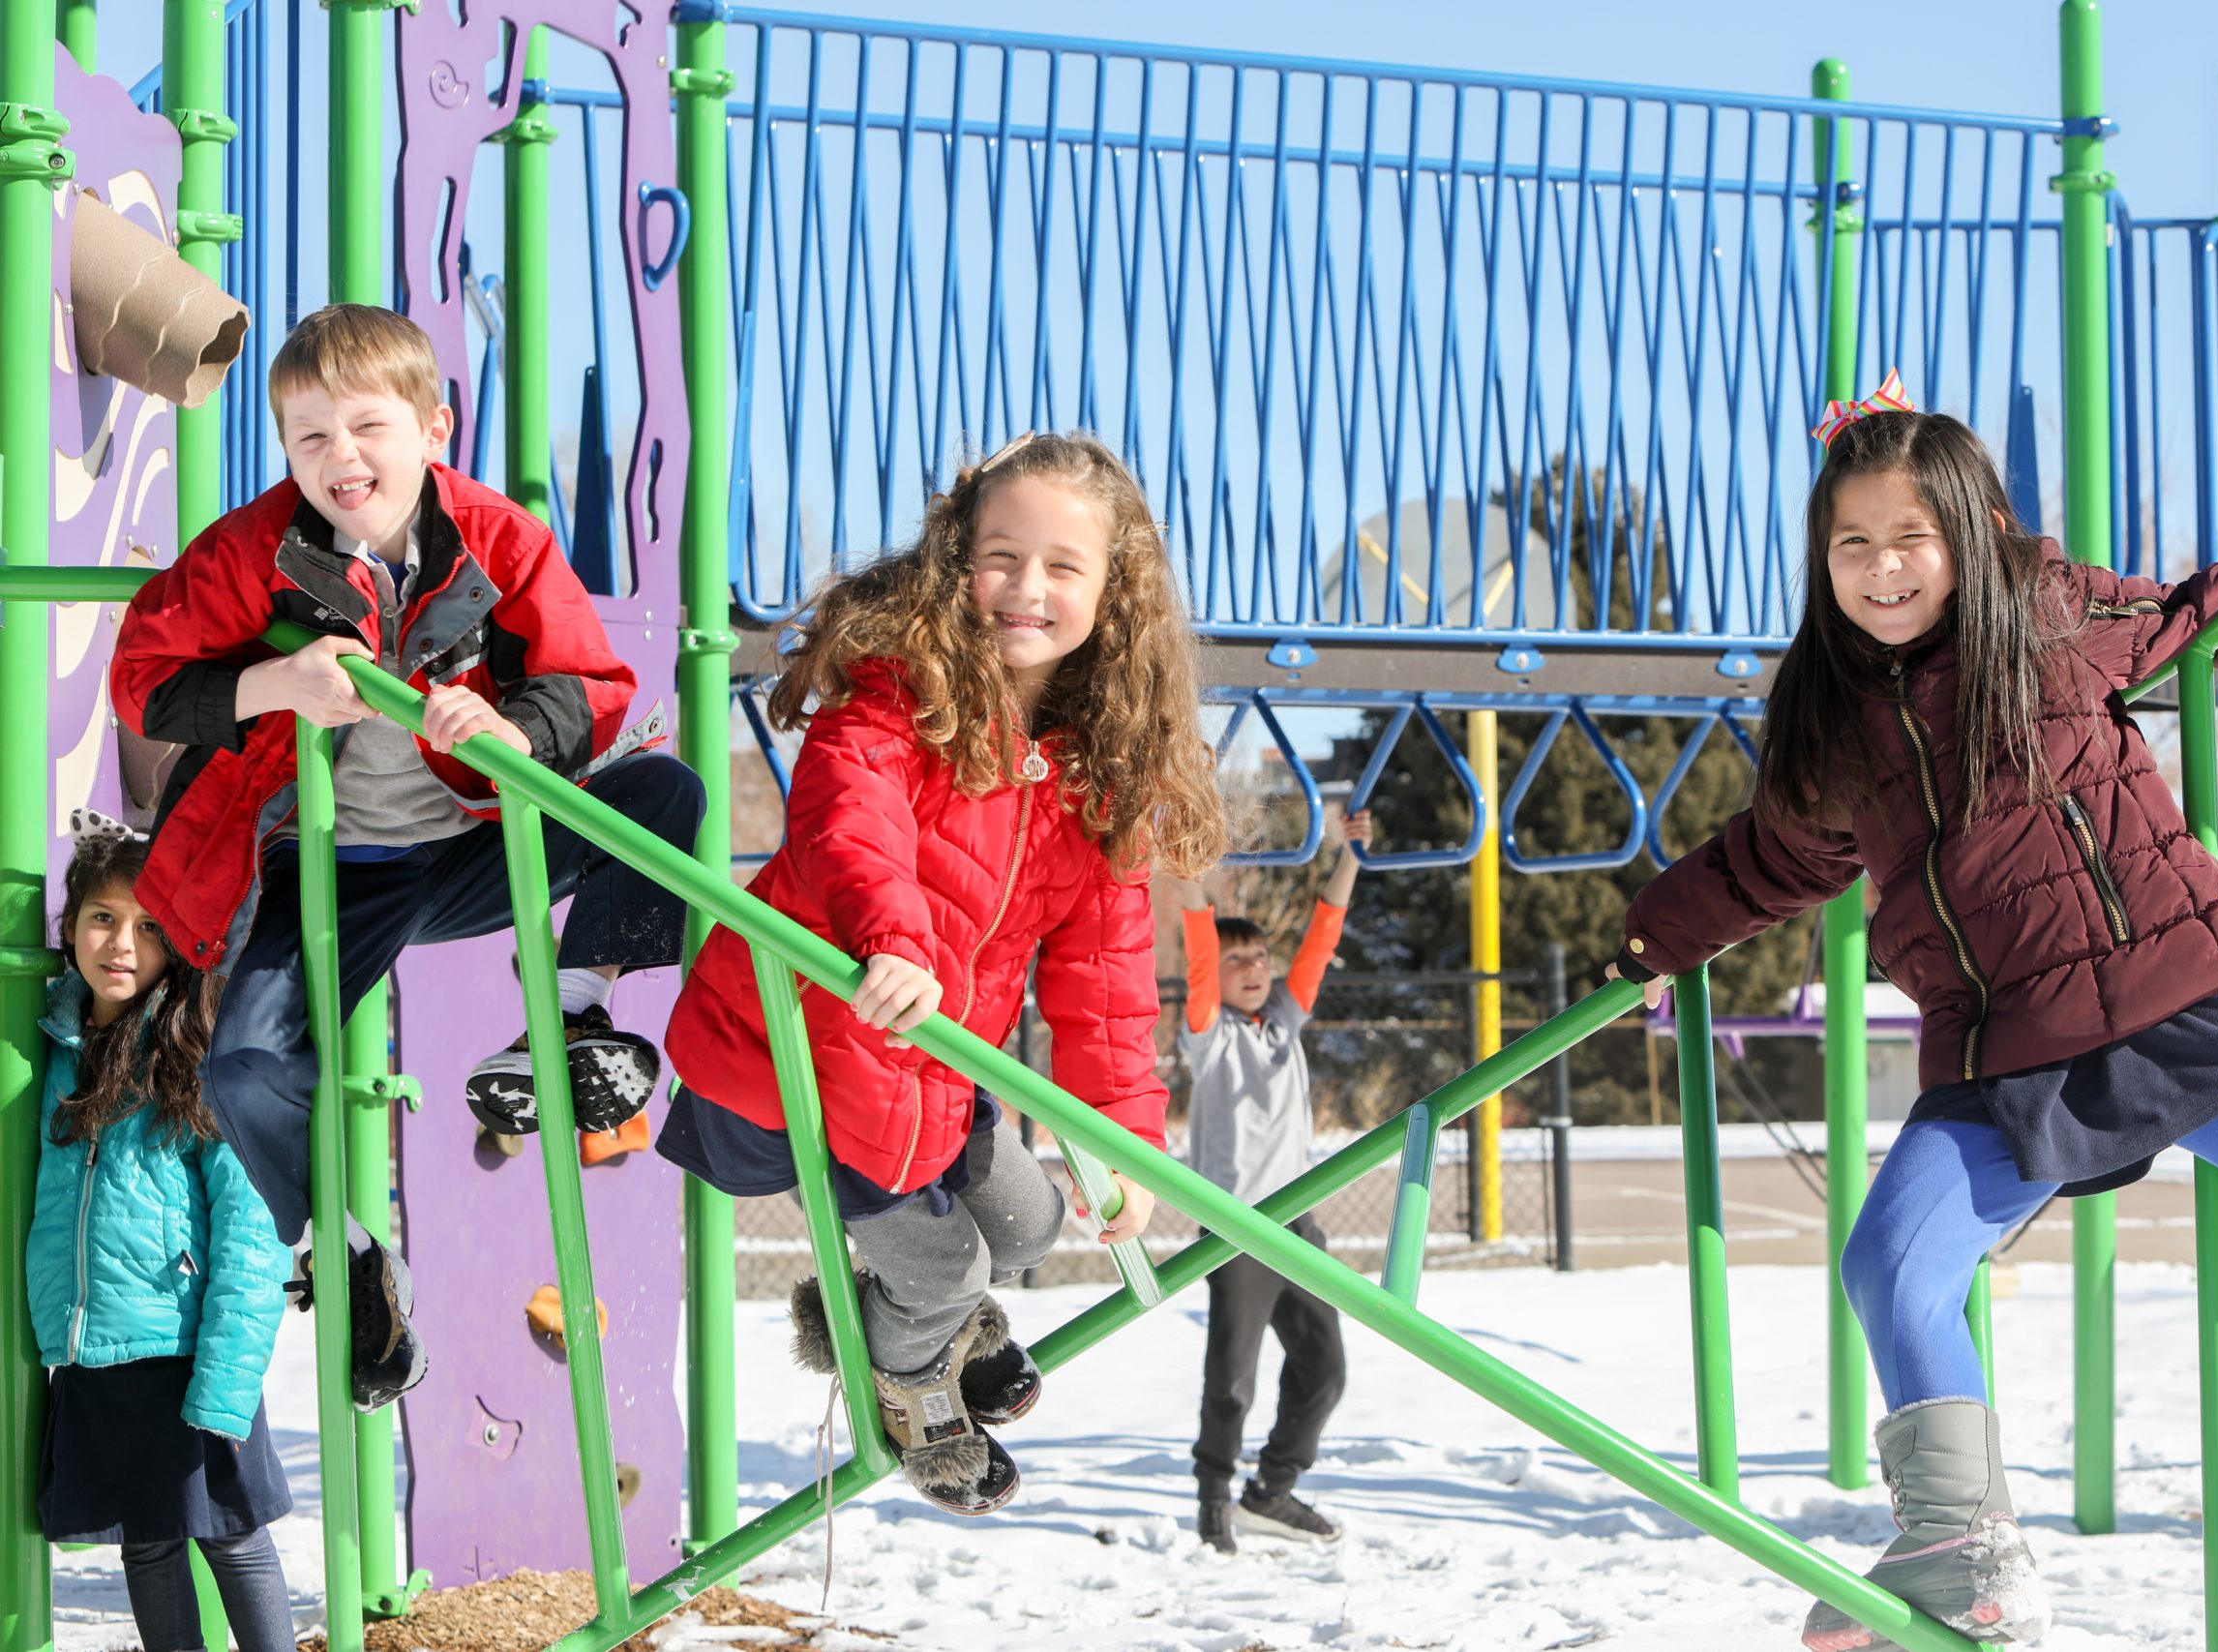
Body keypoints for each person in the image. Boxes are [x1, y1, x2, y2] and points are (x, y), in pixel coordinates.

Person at [1605, 374, 2218, 1651]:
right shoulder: (1834, 720)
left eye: (1912, 537)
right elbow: (1770, 859)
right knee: (1892, 1264)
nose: (1884, 567)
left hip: (2186, 996)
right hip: (2003, 1047)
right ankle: (1964, 1554)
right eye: (1853, 544)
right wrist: (1650, 937)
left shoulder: (2056, 617)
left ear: (1966, 532)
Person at [108, 303, 704, 1412]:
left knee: (664, 793)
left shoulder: (496, 536)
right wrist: (274, 685)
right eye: (310, 438)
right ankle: (343, 1251)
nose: (342, 459)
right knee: (243, 1063)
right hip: (323, 863)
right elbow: (144, 674)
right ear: (284, 452)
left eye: (367, 428)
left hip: (474, 841)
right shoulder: (255, 551)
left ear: (433, 428)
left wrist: (517, 730)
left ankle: (569, 1011)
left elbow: (590, 681)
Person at [660, 432, 1227, 1516]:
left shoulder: (1095, 769)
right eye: (1001, 556)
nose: (1026, 588)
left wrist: (1122, 1142)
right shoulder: (895, 693)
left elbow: (1103, 978)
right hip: (798, 1057)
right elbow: (849, 822)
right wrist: (897, 939)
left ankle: (874, 1320)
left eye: (1063, 567)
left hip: (926, 1068)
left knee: (1026, 1226)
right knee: (941, 1269)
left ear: (1114, 592)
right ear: (955, 559)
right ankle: (914, 1395)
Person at [31, 818, 297, 1651]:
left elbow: (252, 1227)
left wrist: (226, 1374)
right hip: (94, 1342)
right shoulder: (56, 1046)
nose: (121, 943)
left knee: (230, 1533)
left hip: (183, 1345)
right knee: (145, 1541)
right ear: (70, 924)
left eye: (150, 926)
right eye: (103, 917)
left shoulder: (195, 1049)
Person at [1164, 808, 1371, 1553]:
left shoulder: (1284, 1020)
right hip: (1237, 1230)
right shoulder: (1208, 1037)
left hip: (1297, 1225)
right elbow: (1196, 943)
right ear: (1216, 979)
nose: (1255, 967)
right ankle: (1214, 1498)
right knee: (1232, 1378)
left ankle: (1273, 1489)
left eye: (1259, 956)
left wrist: (1349, 853)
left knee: (1325, 1367)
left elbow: (1322, 937)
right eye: (1238, 959)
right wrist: (1186, 866)